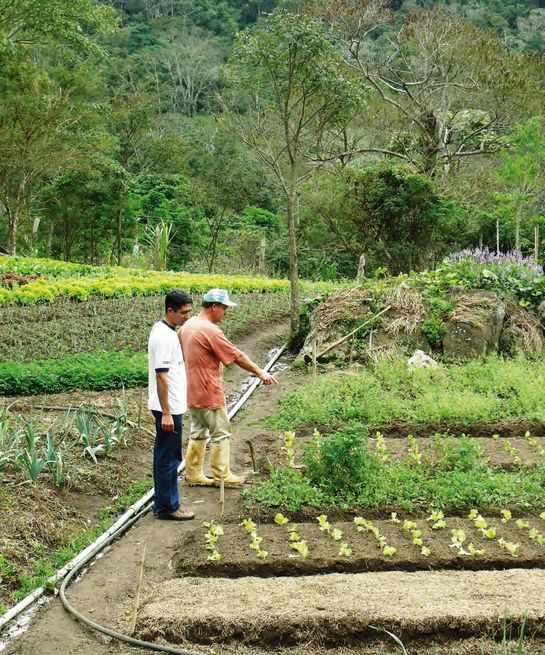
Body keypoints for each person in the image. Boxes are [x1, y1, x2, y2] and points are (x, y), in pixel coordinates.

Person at [180, 288, 278, 487]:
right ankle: (222, 476)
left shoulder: (188, 325)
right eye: (224, 308)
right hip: (208, 389)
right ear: (214, 307)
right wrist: (260, 372)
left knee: (198, 430)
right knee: (221, 432)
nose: (226, 312)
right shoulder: (210, 330)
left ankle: (192, 472)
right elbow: (236, 356)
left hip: (192, 388)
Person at [148, 289, 195, 521]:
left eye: (189, 312)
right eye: (183, 313)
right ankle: (168, 506)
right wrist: (166, 412)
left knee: (165, 455)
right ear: (170, 311)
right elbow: (161, 377)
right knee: (169, 458)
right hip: (168, 409)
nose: (187, 316)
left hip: (171, 406)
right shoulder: (164, 337)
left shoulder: (167, 331)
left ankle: (162, 502)